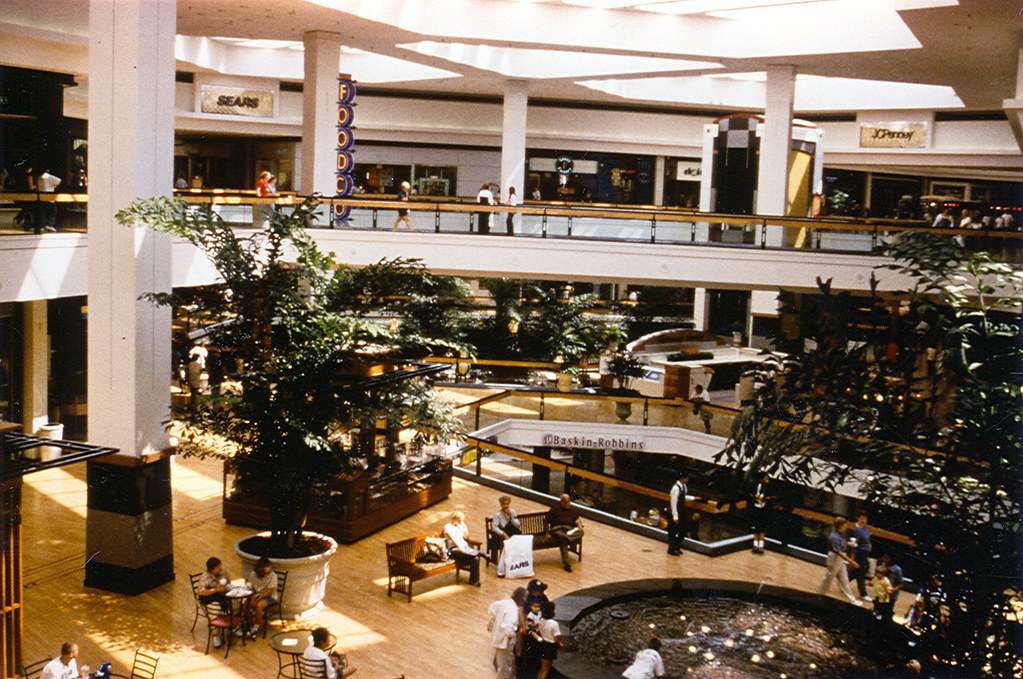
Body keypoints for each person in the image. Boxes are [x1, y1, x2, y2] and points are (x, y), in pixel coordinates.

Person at [818, 517, 860, 604]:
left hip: (840, 558)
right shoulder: (834, 536)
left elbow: (841, 544)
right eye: (845, 524)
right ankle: (820, 594)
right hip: (835, 558)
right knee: (829, 578)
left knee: (844, 579)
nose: (846, 526)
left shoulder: (840, 534)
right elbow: (838, 552)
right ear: (841, 525)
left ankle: (852, 600)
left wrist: (849, 544)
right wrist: (851, 561)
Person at [488, 587, 527, 679]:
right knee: (504, 668)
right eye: (524, 599)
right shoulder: (513, 611)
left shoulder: (505, 602)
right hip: (504, 643)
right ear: (521, 600)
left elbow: (492, 608)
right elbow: (509, 630)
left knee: (509, 663)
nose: (525, 602)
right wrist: (515, 630)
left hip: (499, 638)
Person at [443, 510, 486, 586]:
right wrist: (461, 548)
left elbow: (466, 537)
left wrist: (463, 525)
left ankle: (474, 581)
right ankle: (479, 553)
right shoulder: (448, 527)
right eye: (459, 521)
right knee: (463, 552)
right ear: (454, 519)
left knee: (475, 558)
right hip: (454, 549)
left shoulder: (460, 526)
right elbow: (453, 539)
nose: (460, 522)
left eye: (461, 521)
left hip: (464, 549)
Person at [197, 556, 233, 647]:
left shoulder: (223, 572)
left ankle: (233, 627)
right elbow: (201, 592)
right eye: (218, 567)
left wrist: (225, 587)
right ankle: (215, 635)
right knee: (215, 613)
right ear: (212, 569)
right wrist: (216, 590)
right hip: (209, 599)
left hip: (222, 596)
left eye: (220, 565)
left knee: (235, 605)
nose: (221, 568)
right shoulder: (206, 577)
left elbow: (229, 582)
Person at [546, 494, 584, 572]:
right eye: (566, 502)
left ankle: (566, 538)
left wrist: (579, 525)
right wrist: (547, 533)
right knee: (562, 539)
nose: (567, 504)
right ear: (562, 502)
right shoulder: (555, 509)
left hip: (568, 529)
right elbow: (546, 521)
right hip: (557, 529)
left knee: (580, 533)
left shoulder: (572, 509)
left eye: (568, 502)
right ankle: (566, 563)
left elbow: (577, 519)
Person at [245, 556, 278, 637]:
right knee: (245, 605)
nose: (270, 568)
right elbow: (251, 587)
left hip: (270, 596)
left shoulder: (273, 575)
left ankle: (256, 628)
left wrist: (257, 600)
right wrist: (252, 598)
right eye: (267, 566)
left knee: (259, 606)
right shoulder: (253, 574)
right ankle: (250, 624)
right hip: (256, 594)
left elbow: (269, 592)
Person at [533, 601, 561, 679]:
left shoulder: (541, 621)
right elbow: (556, 639)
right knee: (546, 669)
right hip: (550, 647)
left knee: (543, 668)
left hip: (543, 644)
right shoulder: (554, 624)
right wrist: (560, 644)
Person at [849, 511, 873, 599]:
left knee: (856, 571)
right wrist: (852, 558)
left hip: (865, 553)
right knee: (861, 573)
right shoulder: (857, 530)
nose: (864, 520)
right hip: (860, 553)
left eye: (865, 519)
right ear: (858, 518)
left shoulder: (865, 527)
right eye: (862, 518)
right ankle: (863, 593)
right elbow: (854, 544)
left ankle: (844, 581)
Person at [667, 472, 692, 556]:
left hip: (682, 511)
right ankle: (671, 548)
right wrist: (675, 516)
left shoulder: (684, 487)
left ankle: (676, 546)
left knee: (683, 530)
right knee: (673, 531)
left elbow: (683, 497)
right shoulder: (675, 488)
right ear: (682, 478)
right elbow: (673, 502)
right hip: (676, 511)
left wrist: (693, 498)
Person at [751, 473, 774, 554]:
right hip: (755, 507)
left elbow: (774, 496)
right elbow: (750, 493)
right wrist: (756, 497)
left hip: (764, 509)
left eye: (768, 479)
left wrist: (766, 498)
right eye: (765, 479)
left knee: (762, 527)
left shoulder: (769, 488)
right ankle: (755, 545)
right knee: (755, 527)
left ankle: (761, 546)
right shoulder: (756, 486)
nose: (767, 481)